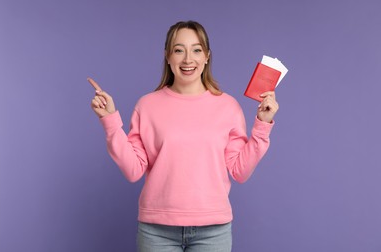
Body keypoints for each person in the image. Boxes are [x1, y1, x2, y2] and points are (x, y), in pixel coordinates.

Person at [89, 20, 279, 252]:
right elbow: (133, 170)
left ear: (207, 56)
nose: (188, 59)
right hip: (156, 231)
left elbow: (240, 171)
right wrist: (110, 122)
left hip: (213, 231)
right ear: (168, 56)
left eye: (196, 50)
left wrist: (263, 124)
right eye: (179, 50)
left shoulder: (228, 107)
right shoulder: (147, 106)